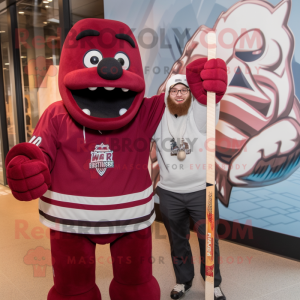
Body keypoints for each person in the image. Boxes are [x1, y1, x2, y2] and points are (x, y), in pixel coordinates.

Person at [153, 59, 227, 300]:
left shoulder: (199, 112)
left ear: (190, 92)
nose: (179, 94)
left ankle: (212, 284)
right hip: (169, 192)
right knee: (177, 241)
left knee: (208, 241)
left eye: (184, 89)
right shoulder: (158, 117)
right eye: (174, 90)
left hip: (201, 191)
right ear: (166, 94)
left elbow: (210, 102)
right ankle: (183, 281)